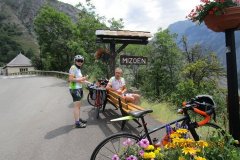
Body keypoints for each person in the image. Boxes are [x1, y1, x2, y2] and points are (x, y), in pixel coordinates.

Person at [69, 55, 88, 128]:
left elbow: (78, 79)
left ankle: (78, 119)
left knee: (79, 106)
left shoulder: (78, 69)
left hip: (78, 88)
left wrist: (84, 80)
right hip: (74, 89)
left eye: (81, 61)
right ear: (75, 61)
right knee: (77, 107)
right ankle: (77, 123)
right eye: (78, 60)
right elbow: (71, 79)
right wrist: (82, 78)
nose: (80, 62)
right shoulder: (73, 67)